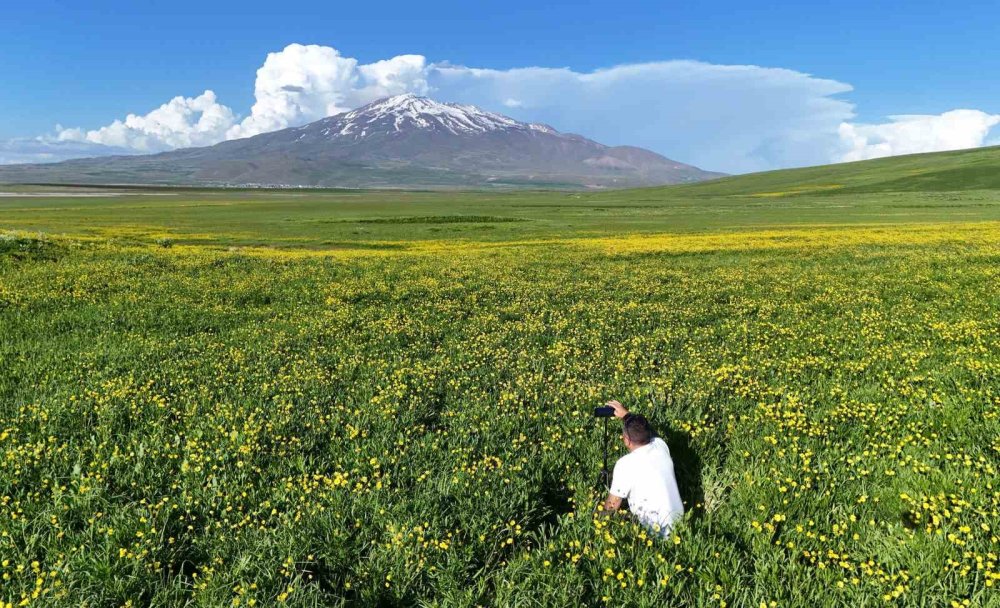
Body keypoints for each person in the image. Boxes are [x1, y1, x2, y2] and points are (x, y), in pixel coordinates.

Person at [600, 400, 685, 538]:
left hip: (655, 534)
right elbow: (652, 433)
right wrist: (627, 415)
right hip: (681, 525)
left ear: (626, 440)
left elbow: (611, 506)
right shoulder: (661, 446)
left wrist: (596, 524)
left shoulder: (625, 464)